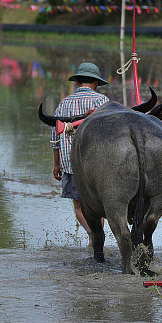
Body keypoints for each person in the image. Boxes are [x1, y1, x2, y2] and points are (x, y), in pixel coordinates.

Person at [50, 62, 109, 241]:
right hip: (98, 165)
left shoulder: (64, 103)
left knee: (79, 208)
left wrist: (56, 164)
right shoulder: (102, 101)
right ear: (96, 83)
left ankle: (94, 236)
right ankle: (97, 235)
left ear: (77, 83)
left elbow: (55, 137)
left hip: (71, 164)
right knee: (100, 207)